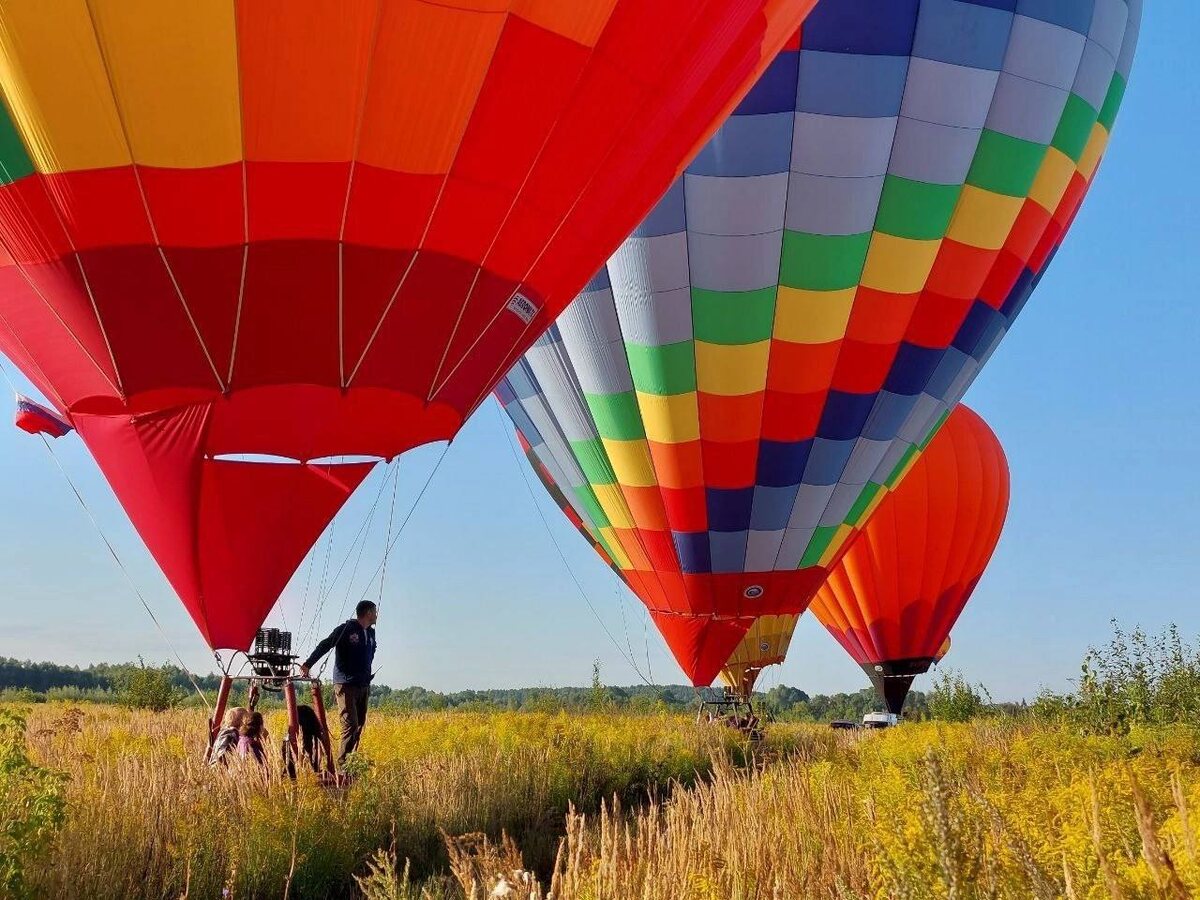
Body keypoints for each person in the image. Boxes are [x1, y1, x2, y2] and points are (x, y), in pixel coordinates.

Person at [300, 600, 378, 764]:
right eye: (375, 611)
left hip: (363, 684)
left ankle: (351, 763)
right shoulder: (346, 629)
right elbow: (325, 644)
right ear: (368, 613)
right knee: (350, 723)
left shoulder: (370, 633)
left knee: (359, 725)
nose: (377, 615)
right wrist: (308, 664)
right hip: (346, 684)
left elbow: (371, 653)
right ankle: (343, 765)